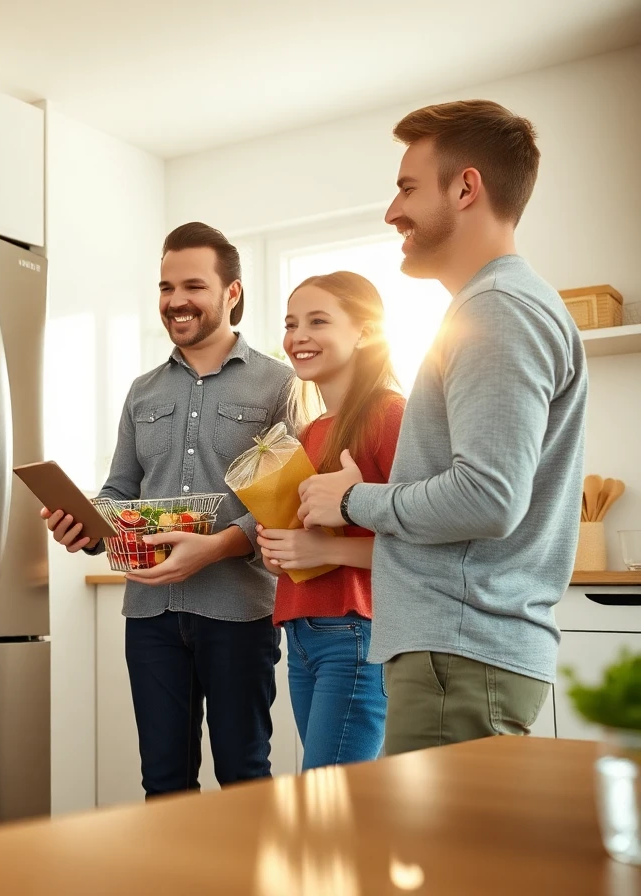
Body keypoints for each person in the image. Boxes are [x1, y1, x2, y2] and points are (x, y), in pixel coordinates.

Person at [298, 100, 588, 754]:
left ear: (465, 188)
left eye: (407, 187)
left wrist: (350, 500)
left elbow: (488, 496)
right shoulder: (496, 307)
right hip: (457, 655)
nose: (392, 211)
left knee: (441, 859)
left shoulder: (498, 312)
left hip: (457, 655)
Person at [43, 223, 293, 796]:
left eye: (193, 286)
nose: (176, 300)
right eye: (165, 287)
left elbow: (287, 502)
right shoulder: (143, 390)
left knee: (244, 777)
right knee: (163, 784)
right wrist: (87, 523)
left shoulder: (280, 384)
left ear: (231, 293)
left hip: (238, 611)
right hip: (150, 613)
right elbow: (121, 488)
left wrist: (219, 546)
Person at [256, 272, 405, 770]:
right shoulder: (309, 430)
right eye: (291, 323)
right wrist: (282, 553)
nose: (298, 336)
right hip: (301, 634)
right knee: (327, 801)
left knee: (331, 804)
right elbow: (312, 539)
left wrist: (328, 551)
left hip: (356, 634)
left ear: (364, 331)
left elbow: (428, 545)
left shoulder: (391, 416)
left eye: (318, 321)